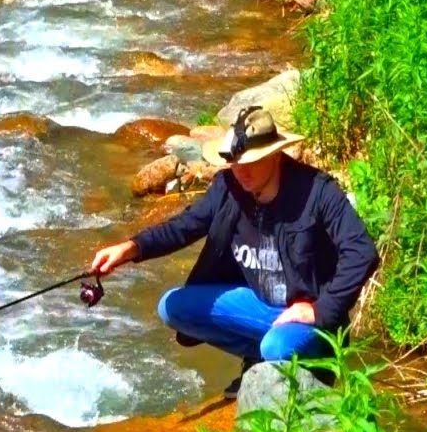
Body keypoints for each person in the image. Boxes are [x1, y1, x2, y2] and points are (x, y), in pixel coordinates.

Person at [90, 106, 379, 397]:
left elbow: (362, 251)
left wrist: (320, 309)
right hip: (262, 308)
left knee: (276, 346)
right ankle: (257, 360)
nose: (242, 171)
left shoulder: (317, 191)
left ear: (276, 155)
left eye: (252, 162)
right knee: (172, 307)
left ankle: (309, 369)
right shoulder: (227, 187)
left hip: (310, 320)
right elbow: (184, 226)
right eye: (235, 162)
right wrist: (131, 248)